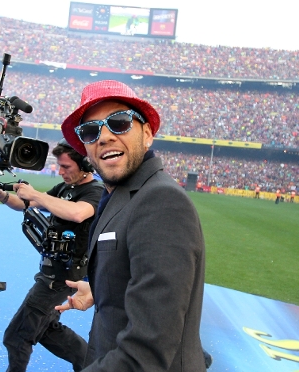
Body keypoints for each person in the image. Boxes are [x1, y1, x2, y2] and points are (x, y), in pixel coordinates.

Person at [56, 80, 209, 371]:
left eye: (119, 123)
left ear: (148, 133)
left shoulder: (161, 201)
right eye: (90, 131)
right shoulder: (118, 194)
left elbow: (146, 350)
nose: (104, 137)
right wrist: (103, 290)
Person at [0, 139, 104, 371]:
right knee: (47, 329)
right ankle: (92, 364)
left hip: (62, 278)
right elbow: (27, 204)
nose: (60, 172)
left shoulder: (95, 191)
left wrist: (36, 195)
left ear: (86, 165)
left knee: (16, 336)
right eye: (59, 166)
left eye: (66, 167)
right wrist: (3, 196)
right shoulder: (64, 189)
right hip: (50, 272)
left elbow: (78, 213)